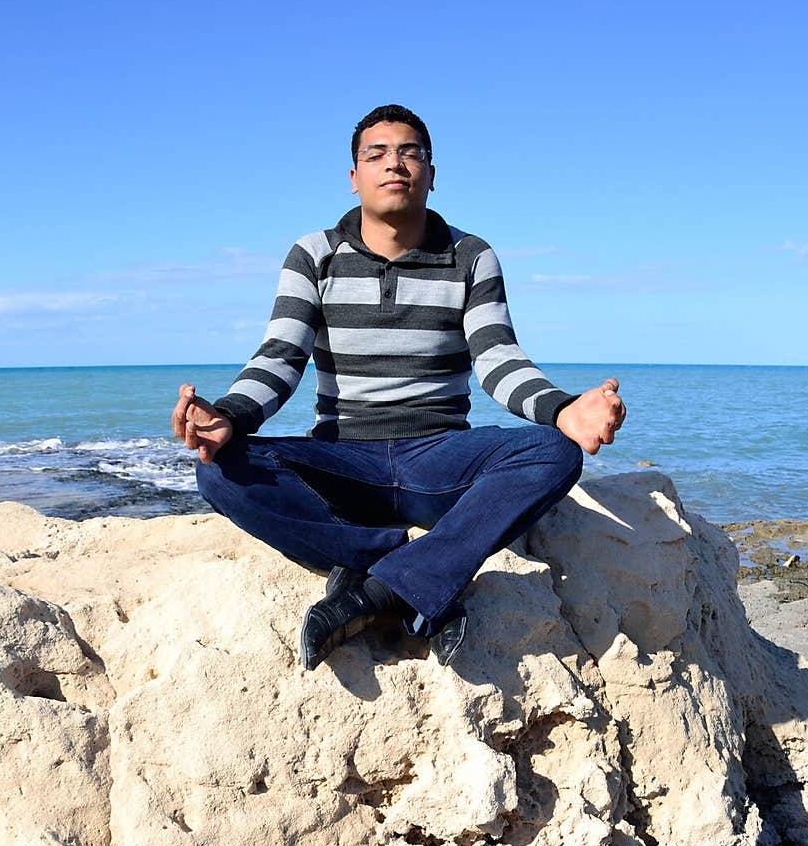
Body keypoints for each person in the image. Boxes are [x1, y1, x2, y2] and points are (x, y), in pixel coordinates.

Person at [172, 104, 625, 671]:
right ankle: (405, 567)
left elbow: (497, 358)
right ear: (354, 176)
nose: (396, 164)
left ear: (431, 173)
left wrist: (561, 410)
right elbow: (281, 356)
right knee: (218, 468)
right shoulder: (315, 254)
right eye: (377, 154)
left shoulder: (470, 255)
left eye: (411, 152)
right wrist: (231, 415)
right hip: (343, 460)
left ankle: (379, 587)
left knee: (552, 454)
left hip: (440, 461)